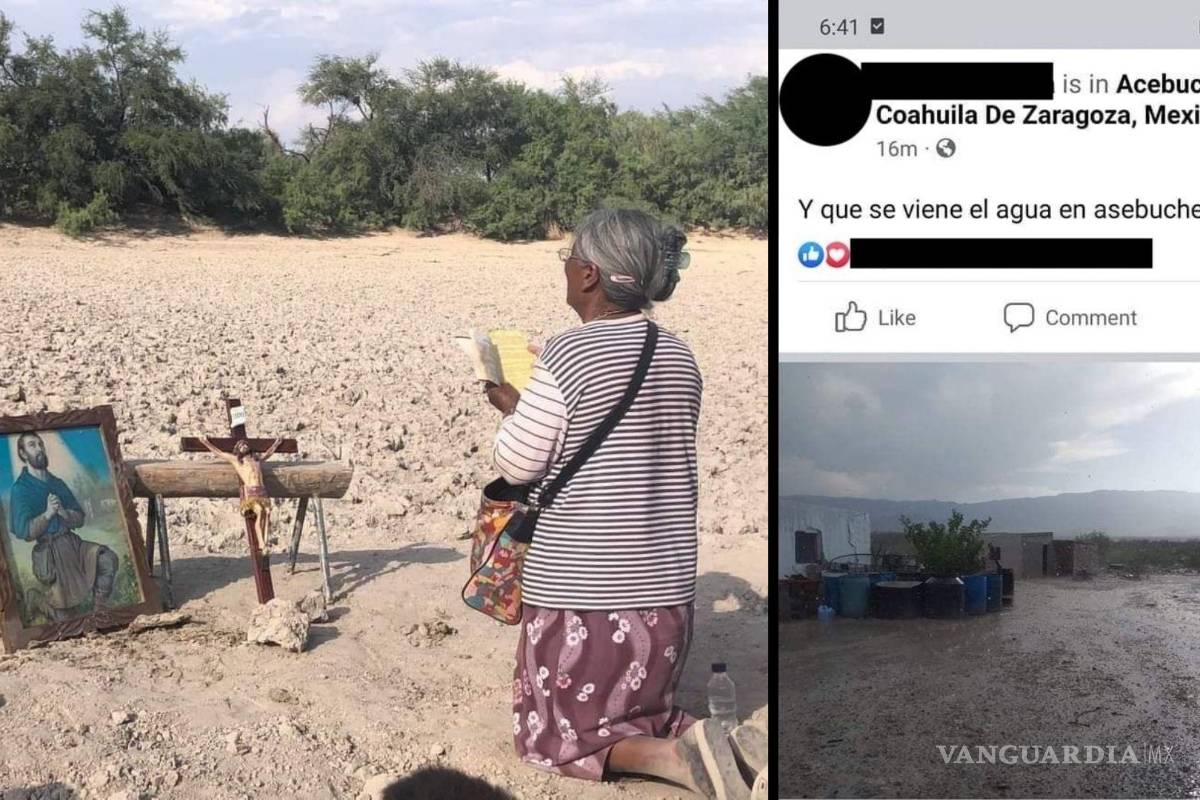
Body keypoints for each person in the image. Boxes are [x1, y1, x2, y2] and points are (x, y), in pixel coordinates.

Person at [484, 209, 756, 798]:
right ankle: (718, 739)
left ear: (588, 275)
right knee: (644, 705)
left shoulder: (566, 355)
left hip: (585, 595)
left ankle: (674, 760)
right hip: (667, 602)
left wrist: (513, 408)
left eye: (568, 260)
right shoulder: (680, 355)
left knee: (556, 737)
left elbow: (519, 464)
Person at [7, 432, 118, 618]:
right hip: (50, 553)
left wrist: (64, 513)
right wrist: (48, 514)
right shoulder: (21, 489)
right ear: (23, 454)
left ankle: (99, 610)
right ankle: (38, 601)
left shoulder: (57, 483)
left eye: (40, 444)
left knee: (108, 559)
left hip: (73, 544)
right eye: (32, 445)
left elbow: (80, 518)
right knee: (65, 619)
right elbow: (25, 531)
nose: (40, 448)